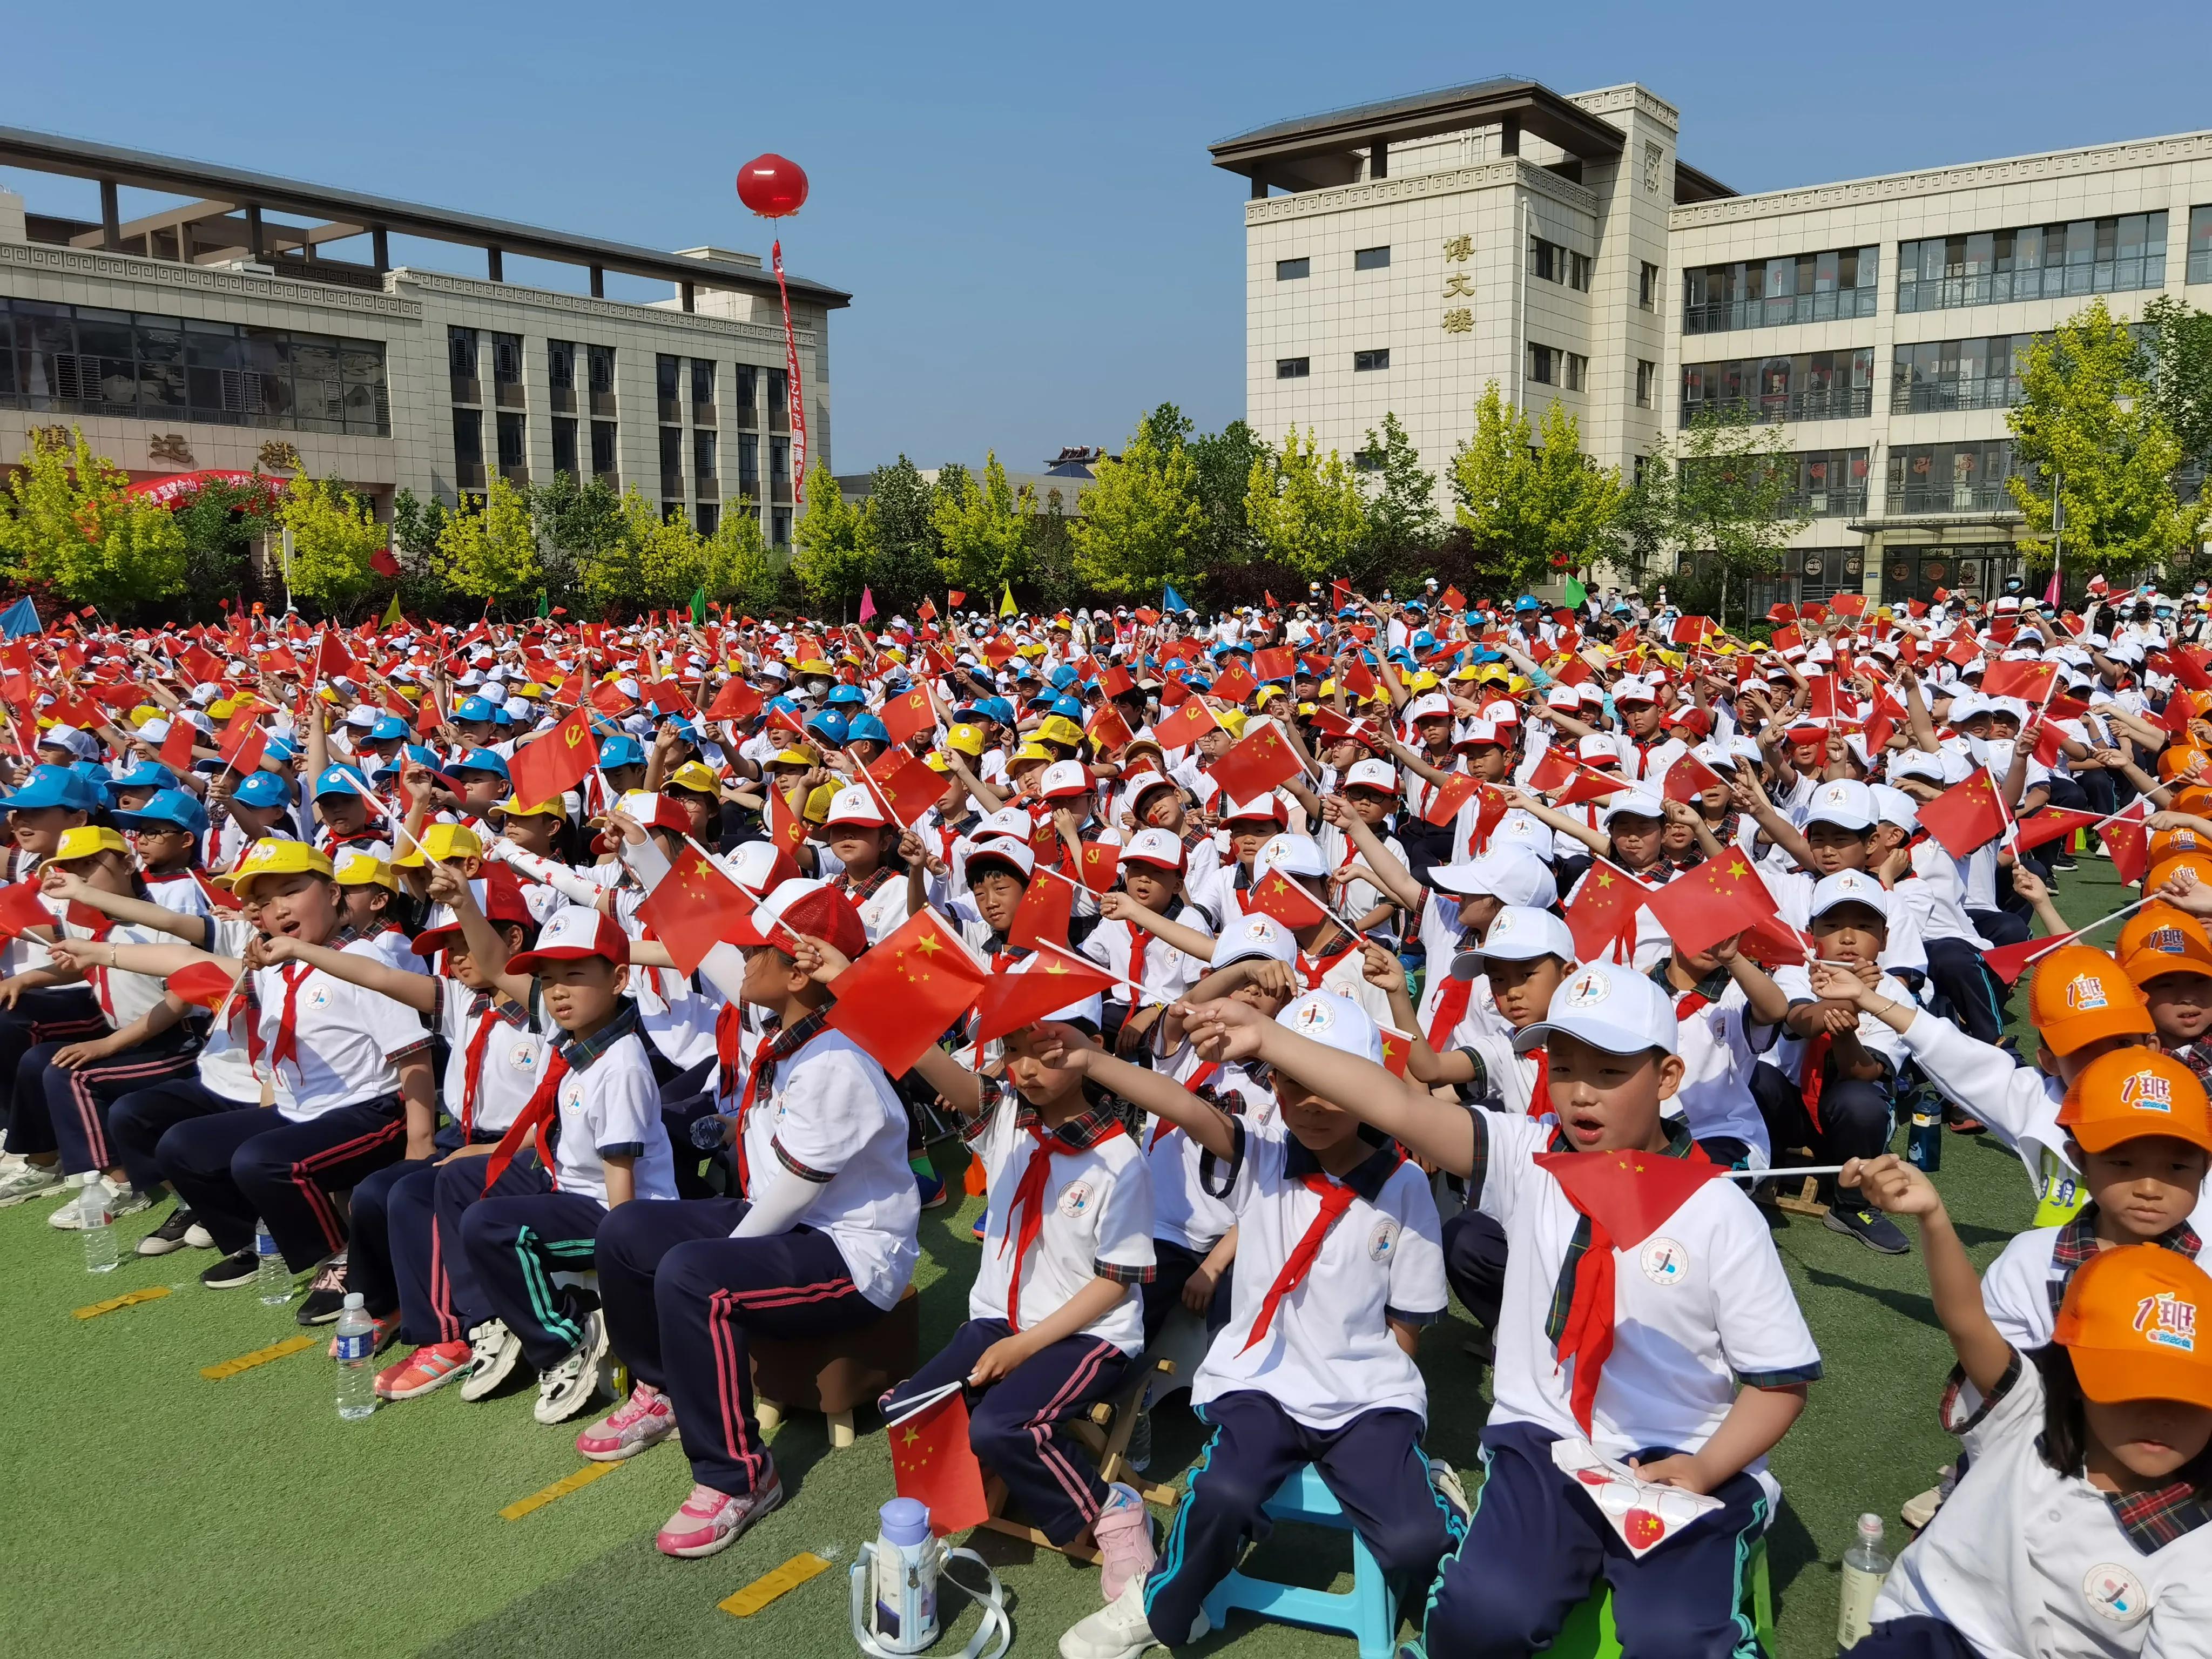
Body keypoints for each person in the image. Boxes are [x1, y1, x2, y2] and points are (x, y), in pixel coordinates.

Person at [1177, 959, 1819, 1658]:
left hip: (1685, 1455)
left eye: (1609, 1072)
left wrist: (1703, 1470)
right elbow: (1399, 1107)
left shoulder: (1719, 1211)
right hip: (1548, 1443)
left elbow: (1779, 1381)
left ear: (1667, 1078)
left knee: (1673, 1638)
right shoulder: (1529, 1156)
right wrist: (1267, 1037)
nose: (1581, 1093)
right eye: (1563, 1068)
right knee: (1483, 1615)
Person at [1054, 993, 1455, 1659]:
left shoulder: (1405, 1185)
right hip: (1263, 1382)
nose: (1312, 1104)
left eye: (1330, 1085)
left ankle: (1434, 1495)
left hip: (1364, 1395)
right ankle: (1162, 1604)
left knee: (1417, 1540)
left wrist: (1377, 1402)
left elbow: (1407, 1320)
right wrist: (1091, 1061)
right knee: (1224, 1492)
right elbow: (1182, 1105)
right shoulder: (1263, 1156)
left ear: (1368, 1086)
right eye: (1292, 1084)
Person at [579, 875, 921, 1560]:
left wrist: (720, 1256)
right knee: (625, 1231)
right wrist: (644, 854)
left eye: (752, 950)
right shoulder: (786, 1025)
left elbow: (797, 1191)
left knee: (691, 1274)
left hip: (849, 1252)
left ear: (797, 972)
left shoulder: (837, 1059)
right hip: (785, 1221)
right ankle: (664, 1387)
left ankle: (738, 1476)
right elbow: (706, 948)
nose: (736, 960)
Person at [1846, 1157, 2212, 1657]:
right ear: (2078, 1382)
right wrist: (1933, 1216)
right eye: (2132, 1392)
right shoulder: (2027, 1415)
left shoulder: (2197, 1549)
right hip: (1935, 1631)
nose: (2162, 1419)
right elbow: (1967, 1322)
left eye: (2193, 1400)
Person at [879, 1001, 1157, 1591]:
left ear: (1087, 1053)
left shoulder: (1119, 1160)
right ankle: (966, 1494)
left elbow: (1115, 1282)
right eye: (1012, 1050)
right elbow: (927, 1058)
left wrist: (1025, 1346)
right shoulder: (1004, 1118)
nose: (1025, 1068)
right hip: (1000, 1321)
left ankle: (1112, 1508)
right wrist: (848, 980)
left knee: (1000, 1426)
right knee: (908, 1406)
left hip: (1090, 1335)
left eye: (1045, 1052)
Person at [155, 840, 437, 1295]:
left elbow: (413, 1053)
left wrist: (419, 1143)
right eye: (265, 902)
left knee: (261, 1160)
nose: (280, 909)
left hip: (371, 1111)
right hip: (300, 1111)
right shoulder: (273, 968)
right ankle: (261, 1241)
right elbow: (274, 1054)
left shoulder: (364, 960)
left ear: (332, 893)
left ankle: (344, 1257)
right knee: (183, 1146)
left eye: (291, 891)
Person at [457, 904, 679, 1425]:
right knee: (463, 1186)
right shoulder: (576, 1041)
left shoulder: (621, 1064)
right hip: (574, 1195)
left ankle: (566, 1337)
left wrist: (624, 1260)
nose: (558, 992)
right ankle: (500, 1318)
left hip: (621, 1216)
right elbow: (497, 966)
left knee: (491, 1227)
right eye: (549, 979)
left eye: (575, 976)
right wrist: (462, 902)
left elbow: (620, 1179)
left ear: (619, 980)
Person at [1975, 1047, 2210, 1350]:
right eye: (2122, 1163)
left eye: (2177, 1167)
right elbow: (2000, 1370)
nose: (2149, 1189)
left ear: (2206, 1166)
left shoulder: (2206, 1270)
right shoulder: (2029, 1262)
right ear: (2079, 1160)